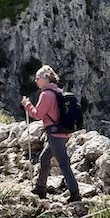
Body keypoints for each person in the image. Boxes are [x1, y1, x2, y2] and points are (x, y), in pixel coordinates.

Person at [22, 65, 81, 203]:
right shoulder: (58, 91)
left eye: (38, 78)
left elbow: (37, 115)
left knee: (63, 163)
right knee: (44, 158)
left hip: (55, 134)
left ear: (45, 79)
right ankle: (40, 187)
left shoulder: (46, 94)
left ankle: (75, 193)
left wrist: (27, 104)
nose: (36, 81)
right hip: (63, 132)